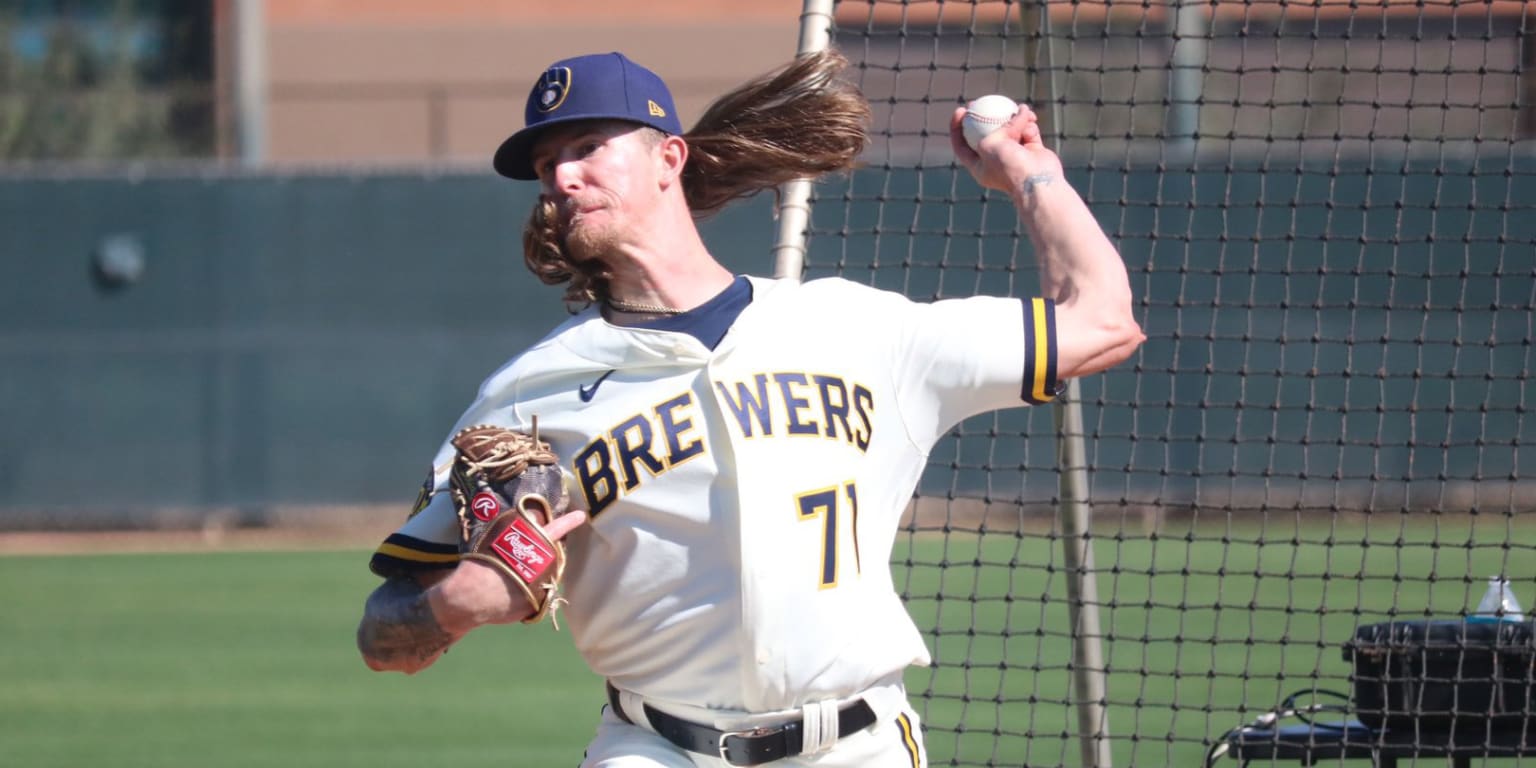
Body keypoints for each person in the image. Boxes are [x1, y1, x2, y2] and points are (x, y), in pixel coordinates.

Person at [356, 48, 1143, 768]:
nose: (561, 176)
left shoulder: (858, 328)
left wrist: (1030, 174)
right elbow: (382, 639)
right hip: (654, 747)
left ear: (669, 158)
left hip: (857, 746)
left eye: (587, 147)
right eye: (547, 162)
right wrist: (454, 604)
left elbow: (1103, 321)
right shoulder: (531, 392)